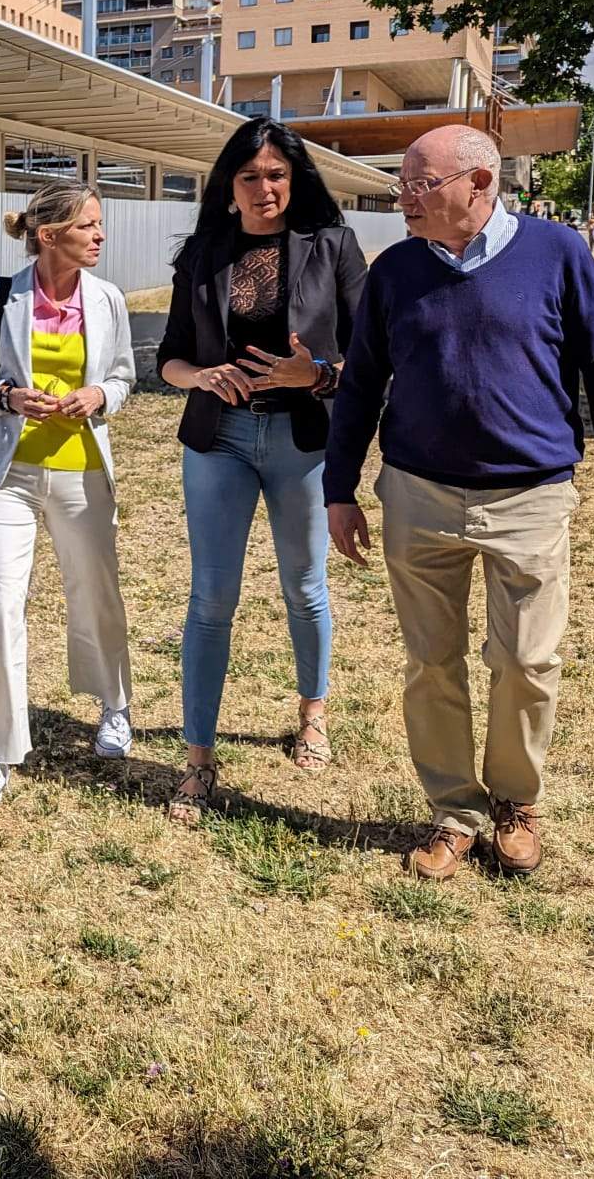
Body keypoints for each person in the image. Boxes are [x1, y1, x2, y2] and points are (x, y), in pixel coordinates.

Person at [325, 124, 594, 881]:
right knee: (430, 664)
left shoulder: (558, 253)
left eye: (419, 183)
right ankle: (455, 810)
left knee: (529, 660)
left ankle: (515, 800)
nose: (402, 197)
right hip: (419, 494)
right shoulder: (395, 270)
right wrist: (338, 489)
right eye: (401, 183)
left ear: (479, 185)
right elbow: (363, 384)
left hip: (530, 497)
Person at [154, 117, 367, 823]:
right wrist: (203, 377)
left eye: (277, 174)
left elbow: (370, 358)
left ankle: (312, 712)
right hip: (219, 440)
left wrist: (320, 372)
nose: (264, 187)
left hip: (304, 440)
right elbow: (170, 358)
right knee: (211, 597)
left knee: (304, 585)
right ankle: (198, 759)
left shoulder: (333, 246)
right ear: (230, 185)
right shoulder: (204, 252)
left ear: (295, 180)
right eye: (250, 176)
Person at [0, 178, 136, 808]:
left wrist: (98, 397)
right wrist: (7, 396)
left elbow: (123, 377)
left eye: (99, 224)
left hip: (84, 472)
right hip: (8, 477)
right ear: (49, 234)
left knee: (95, 595)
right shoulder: (1, 296)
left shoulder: (108, 298)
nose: (100, 236)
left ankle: (114, 705)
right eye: (89, 225)